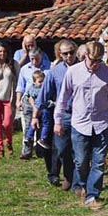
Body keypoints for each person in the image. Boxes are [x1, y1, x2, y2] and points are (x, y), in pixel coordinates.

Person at [56, 40, 108, 211]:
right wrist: (58, 120)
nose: (95, 64)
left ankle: (92, 194)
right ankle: (80, 185)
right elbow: (63, 97)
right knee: (80, 161)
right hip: (80, 123)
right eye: (92, 60)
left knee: (99, 161)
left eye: (98, 61)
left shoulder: (107, 73)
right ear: (85, 55)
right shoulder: (73, 72)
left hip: (101, 123)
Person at [35, 39, 77, 189]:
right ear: (60, 54)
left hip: (81, 114)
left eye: (72, 52)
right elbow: (44, 93)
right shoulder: (55, 72)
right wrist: (35, 115)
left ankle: (75, 181)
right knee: (61, 148)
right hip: (64, 114)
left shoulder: (83, 68)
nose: (69, 56)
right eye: (66, 53)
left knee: (79, 150)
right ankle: (68, 174)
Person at [18, 47, 47, 160]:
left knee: (42, 125)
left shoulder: (49, 67)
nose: (34, 62)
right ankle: (26, 151)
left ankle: (40, 151)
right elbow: (20, 86)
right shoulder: (25, 69)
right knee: (28, 125)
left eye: (37, 59)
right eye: (32, 59)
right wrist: (18, 100)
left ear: (41, 57)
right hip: (29, 101)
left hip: (43, 101)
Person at [29, 68, 52, 155]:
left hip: (35, 110)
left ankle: (29, 136)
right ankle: (43, 139)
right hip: (44, 109)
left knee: (33, 124)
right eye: (40, 81)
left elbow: (30, 97)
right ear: (34, 82)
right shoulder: (41, 90)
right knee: (46, 124)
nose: (42, 83)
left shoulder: (31, 89)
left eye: (43, 81)